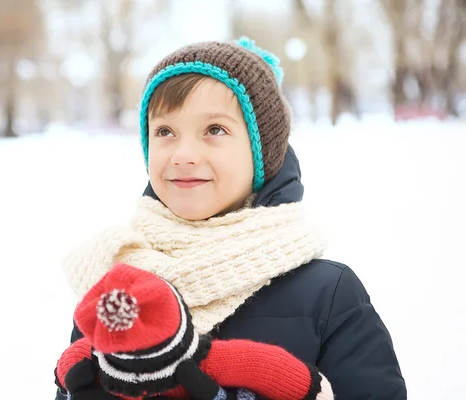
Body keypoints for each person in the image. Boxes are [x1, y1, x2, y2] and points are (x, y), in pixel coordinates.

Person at [55, 37, 406, 399]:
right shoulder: (116, 289)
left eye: (214, 130)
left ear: (262, 154)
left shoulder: (327, 293)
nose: (184, 154)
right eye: (165, 132)